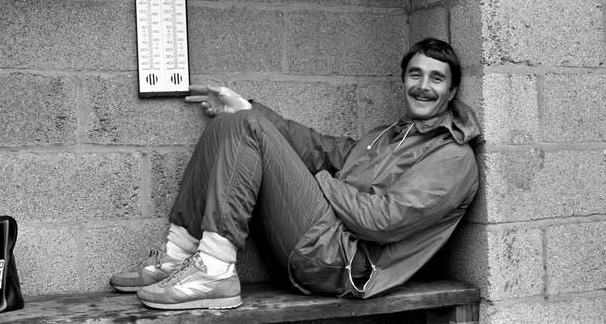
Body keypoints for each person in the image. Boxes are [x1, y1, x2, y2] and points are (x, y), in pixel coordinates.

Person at [109, 38, 480, 310]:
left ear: (452, 91)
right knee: (230, 123)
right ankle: (177, 256)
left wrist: (322, 183)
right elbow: (318, 148)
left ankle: (216, 271)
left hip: (344, 264)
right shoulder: (386, 136)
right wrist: (246, 107)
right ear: (403, 81)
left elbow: (382, 221)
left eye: (436, 78)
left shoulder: (452, 157)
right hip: (312, 248)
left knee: (247, 127)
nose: (422, 86)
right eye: (415, 74)